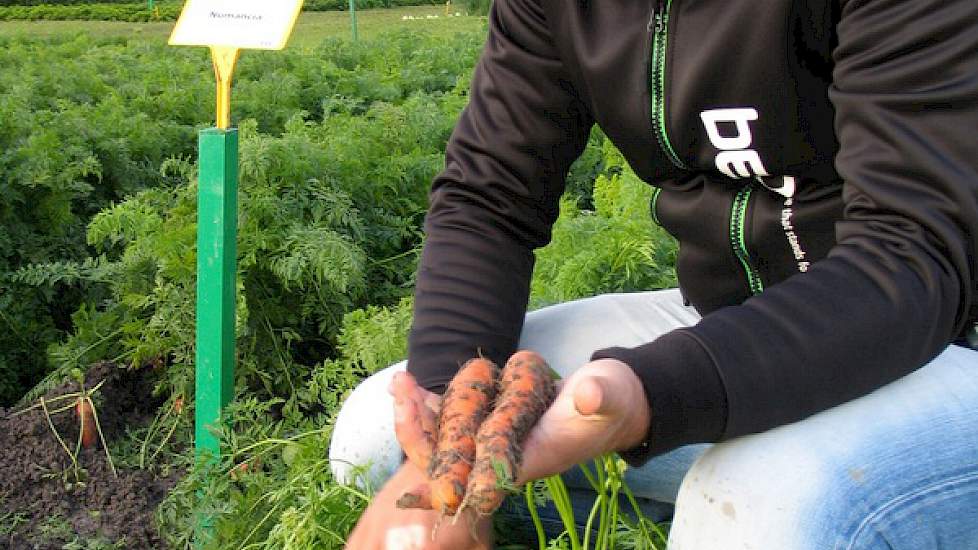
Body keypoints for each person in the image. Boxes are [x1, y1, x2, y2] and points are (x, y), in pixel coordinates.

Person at [331, 0, 978, 548]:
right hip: (730, 320)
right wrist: (450, 435)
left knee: (759, 497)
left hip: (944, 337)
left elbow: (911, 251)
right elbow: (487, 198)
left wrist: (648, 394)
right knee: (376, 441)